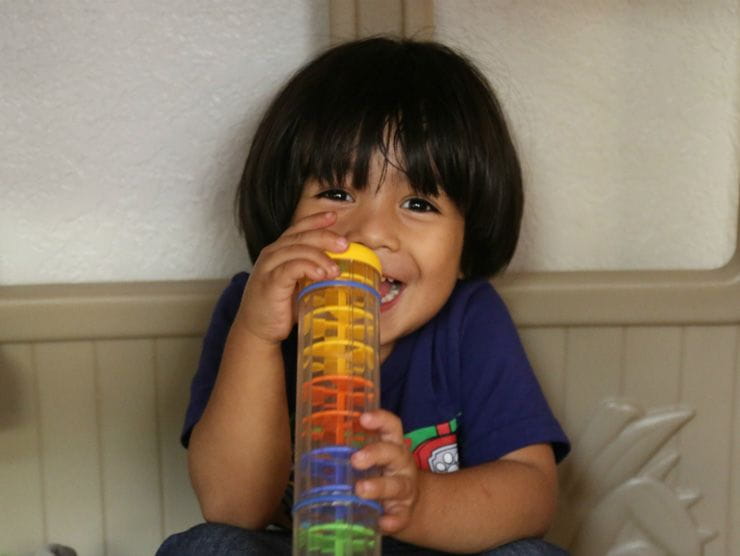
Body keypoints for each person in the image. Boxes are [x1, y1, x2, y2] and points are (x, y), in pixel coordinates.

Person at [157, 36, 570, 555]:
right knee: (208, 546)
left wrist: (419, 504)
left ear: (467, 242)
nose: (370, 232)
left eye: (419, 203)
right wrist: (258, 335)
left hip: (430, 546)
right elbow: (233, 509)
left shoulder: (471, 319)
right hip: (302, 547)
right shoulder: (254, 307)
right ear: (286, 212)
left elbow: (532, 494)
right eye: (337, 193)